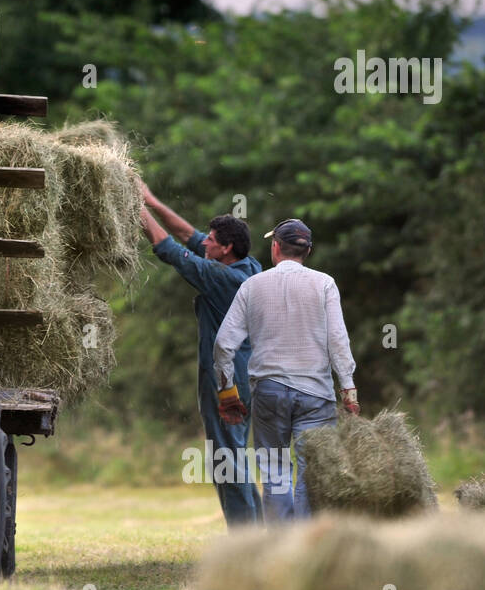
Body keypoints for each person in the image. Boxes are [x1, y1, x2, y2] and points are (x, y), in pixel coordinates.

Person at [212, 218, 360, 522]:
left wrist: (227, 393)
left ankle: (280, 547)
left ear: (275, 247)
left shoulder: (252, 286)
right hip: (316, 396)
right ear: (308, 251)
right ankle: (305, 547)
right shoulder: (324, 284)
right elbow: (338, 341)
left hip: (268, 393)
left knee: (275, 469)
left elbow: (223, 345)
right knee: (312, 473)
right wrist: (348, 389)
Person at [137, 182, 263, 526]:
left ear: (226, 249)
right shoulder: (249, 266)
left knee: (226, 458)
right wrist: (150, 201)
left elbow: (170, 251)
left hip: (227, 381)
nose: (203, 241)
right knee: (235, 454)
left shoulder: (221, 278)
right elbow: (186, 235)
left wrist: (133, 208)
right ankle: (256, 532)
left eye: (211, 240)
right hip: (248, 374)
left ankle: (245, 540)